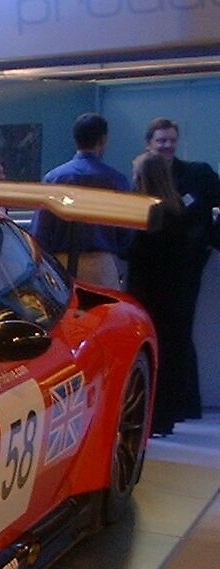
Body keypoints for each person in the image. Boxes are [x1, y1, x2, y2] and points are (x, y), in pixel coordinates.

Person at [141, 117, 220, 422]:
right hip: (158, 268)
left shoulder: (197, 174)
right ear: (149, 143)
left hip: (187, 266)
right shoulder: (144, 177)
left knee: (179, 332)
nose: (167, 145)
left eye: (171, 139)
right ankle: (168, 406)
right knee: (167, 332)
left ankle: (180, 404)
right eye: (161, 140)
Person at [127, 152, 195, 437]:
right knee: (168, 352)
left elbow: (136, 252)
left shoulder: (147, 212)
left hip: (147, 292)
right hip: (173, 293)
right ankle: (164, 418)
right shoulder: (177, 209)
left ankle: (147, 418)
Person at [29, 113, 130, 289]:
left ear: (75, 139)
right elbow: (126, 234)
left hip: (60, 265)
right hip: (101, 266)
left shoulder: (54, 178)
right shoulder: (116, 180)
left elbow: (40, 231)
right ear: (103, 139)